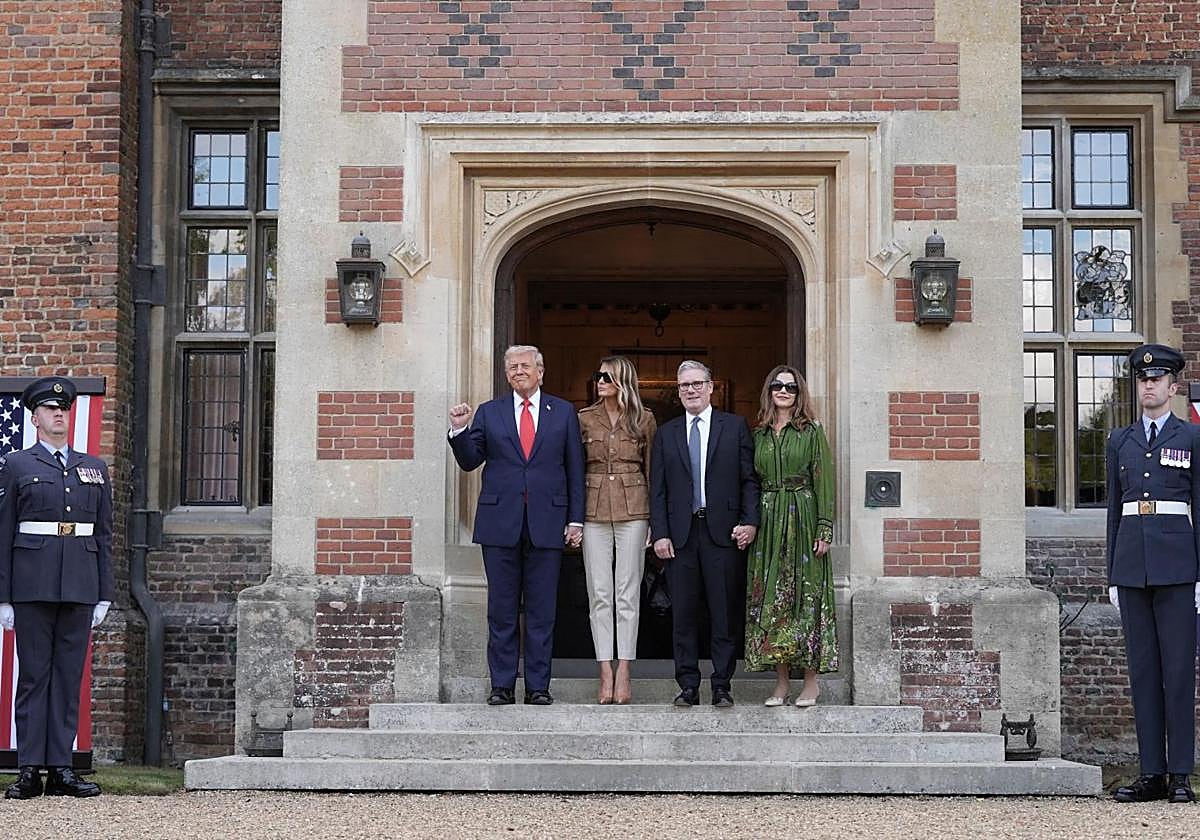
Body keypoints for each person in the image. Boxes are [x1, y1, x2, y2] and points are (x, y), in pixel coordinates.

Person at [448, 345, 585, 706]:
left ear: (541, 371)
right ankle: (502, 686)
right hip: (500, 523)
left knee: (542, 611)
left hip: (548, 522)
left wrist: (576, 519)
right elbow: (470, 460)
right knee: (502, 609)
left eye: (525, 365)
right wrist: (459, 430)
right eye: (511, 367)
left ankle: (539, 686)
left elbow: (575, 469)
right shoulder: (490, 413)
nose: (518, 371)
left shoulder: (564, 412)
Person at [0, 376, 112, 799]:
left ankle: (61, 769)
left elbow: (103, 535)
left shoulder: (93, 468)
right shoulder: (16, 465)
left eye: (63, 409)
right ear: (35, 418)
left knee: (68, 679)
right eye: (50, 409)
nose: (59, 414)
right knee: (32, 678)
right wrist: (4, 596)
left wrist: (104, 592)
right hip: (31, 585)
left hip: (79, 585)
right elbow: (4, 530)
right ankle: (29, 769)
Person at [1106, 344, 1199, 804]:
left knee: (1178, 671)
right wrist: (1111, 575)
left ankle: (1181, 773)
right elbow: (1114, 513)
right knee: (1142, 673)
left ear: (1173, 386)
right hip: (1132, 568)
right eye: (1143, 379)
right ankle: (1152, 773)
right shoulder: (1120, 442)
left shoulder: (1191, 439)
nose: (1149, 385)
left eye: (1157, 379)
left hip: (1180, 570)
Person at [649, 360, 759, 708]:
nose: (691, 390)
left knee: (723, 611)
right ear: (678, 391)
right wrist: (661, 533)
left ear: (711, 387)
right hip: (680, 536)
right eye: (684, 386)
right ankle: (688, 685)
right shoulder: (666, 433)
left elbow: (749, 480)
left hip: (722, 533)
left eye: (697, 384)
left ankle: (722, 684)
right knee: (683, 614)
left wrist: (750, 521)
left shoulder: (735, 427)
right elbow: (659, 490)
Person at [743, 366, 836, 708]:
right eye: (777, 386)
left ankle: (810, 683)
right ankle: (781, 683)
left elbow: (824, 479)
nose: (783, 391)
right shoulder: (760, 434)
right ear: (768, 391)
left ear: (800, 394)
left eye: (791, 387)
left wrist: (824, 527)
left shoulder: (811, 431)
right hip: (768, 521)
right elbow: (749, 480)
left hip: (803, 516)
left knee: (805, 599)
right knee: (773, 600)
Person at [578, 356, 657, 704]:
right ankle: (604, 671)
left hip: (635, 510)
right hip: (593, 510)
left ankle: (625, 669)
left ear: (623, 380)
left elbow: (654, 471)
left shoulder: (645, 419)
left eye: (607, 376)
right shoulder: (583, 418)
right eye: (598, 376)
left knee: (627, 593)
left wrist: (656, 521)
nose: (600, 381)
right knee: (599, 594)